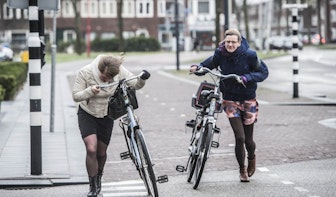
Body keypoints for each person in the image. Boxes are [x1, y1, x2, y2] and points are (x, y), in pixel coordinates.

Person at [190, 29, 269, 182]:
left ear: (239, 43)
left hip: (248, 100)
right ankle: (242, 170)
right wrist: (197, 68)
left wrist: (246, 77)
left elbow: (263, 72)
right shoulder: (220, 54)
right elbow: (209, 64)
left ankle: (251, 157)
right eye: (228, 42)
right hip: (230, 100)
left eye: (233, 42)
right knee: (239, 137)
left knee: (248, 141)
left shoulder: (250, 55)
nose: (230, 45)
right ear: (224, 42)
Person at [72, 54, 150, 197]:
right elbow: (76, 95)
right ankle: (93, 186)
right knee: (91, 148)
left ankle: (99, 177)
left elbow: (135, 84)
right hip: (87, 113)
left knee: (101, 152)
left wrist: (142, 78)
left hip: (106, 114)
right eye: (104, 77)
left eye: (110, 77)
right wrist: (90, 91)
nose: (107, 80)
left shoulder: (119, 71)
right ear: (99, 70)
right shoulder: (86, 72)